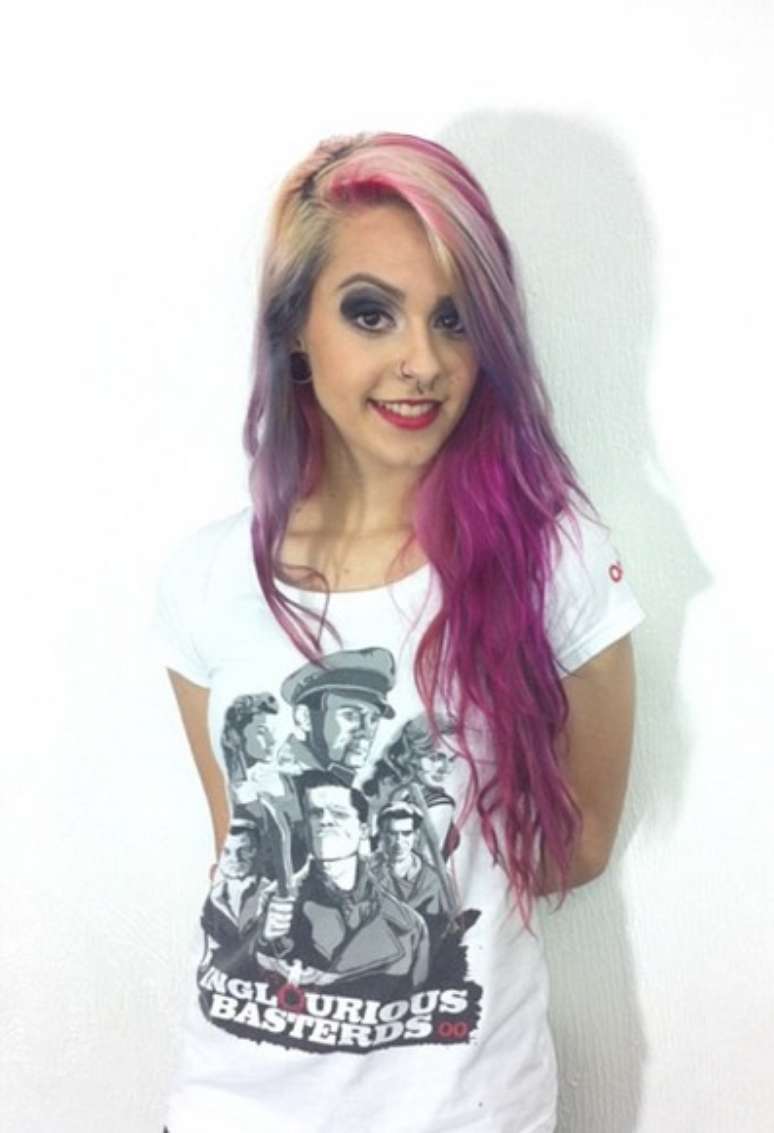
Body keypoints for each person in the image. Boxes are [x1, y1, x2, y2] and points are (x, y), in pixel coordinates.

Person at [152, 130, 646, 1133]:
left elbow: (579, 842)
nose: (422, 361)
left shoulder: (552, 558)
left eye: (454, 319)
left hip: (460, 1108)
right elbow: (236, 851)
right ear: (296, 329)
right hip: (232, 1102)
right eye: (371, 312)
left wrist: (421, 886)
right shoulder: (206, 577)